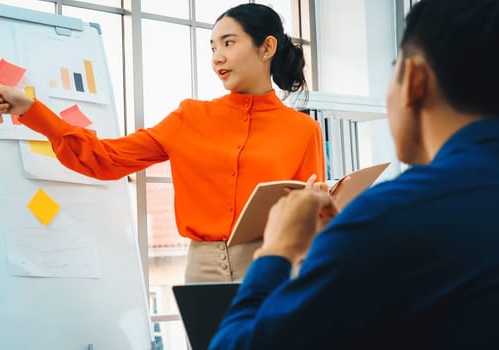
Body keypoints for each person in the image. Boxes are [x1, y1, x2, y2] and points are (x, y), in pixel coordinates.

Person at [209, 0, 499, 348]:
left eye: (394, 69)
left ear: (414, 79)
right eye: (214, 47)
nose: (218, 57)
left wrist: (276, 251)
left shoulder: (392, 215)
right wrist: (345, 246)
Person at [0, 4, 325, 283]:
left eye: (229, 43)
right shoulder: (189, 117)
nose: (217, 57)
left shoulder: (302, 130)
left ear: (266, 47)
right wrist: (31, 110)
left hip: (274, 267)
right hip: (202, 271)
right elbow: (105, 158)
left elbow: (313, 219)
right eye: (212, 47)